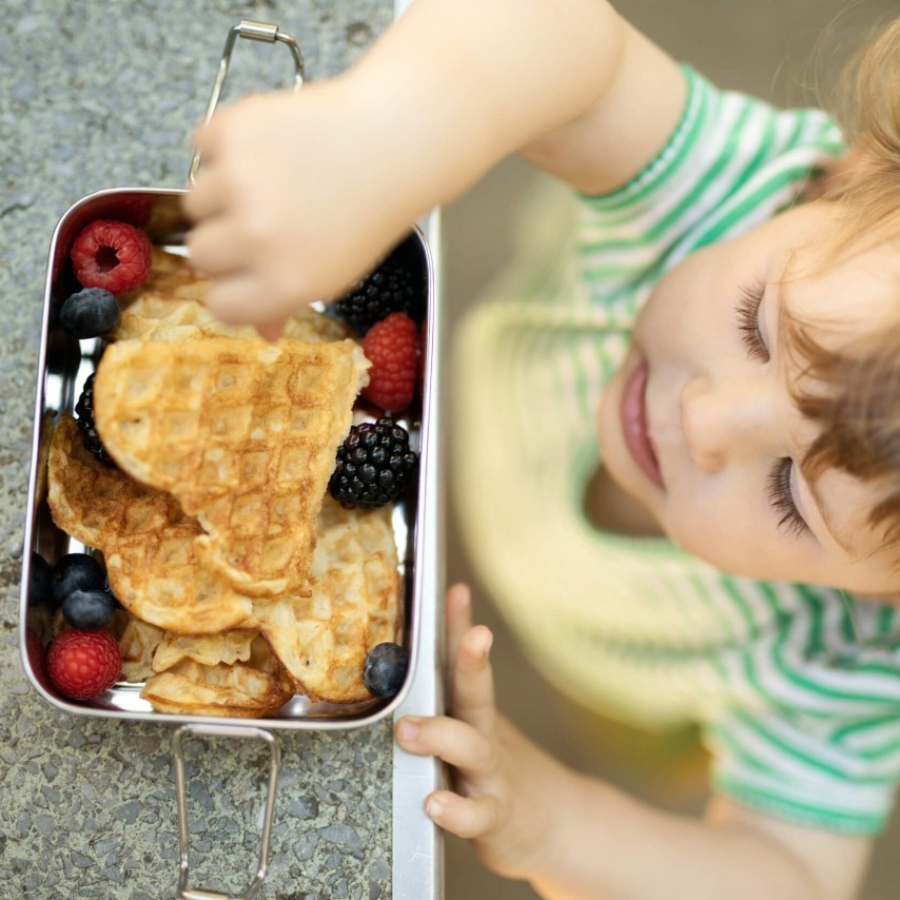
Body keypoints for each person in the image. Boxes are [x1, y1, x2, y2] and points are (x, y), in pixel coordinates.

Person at [182, 2, 900, 897]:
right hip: (497, 405)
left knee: (636, 740)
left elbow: (792, 875)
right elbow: (563, 38)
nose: (704, 419)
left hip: (617, 671)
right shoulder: (730, 195)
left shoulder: (840, 668)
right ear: (844, 179)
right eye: (756, 325)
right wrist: (374, 136)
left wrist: (560, 826)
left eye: (791, 493)